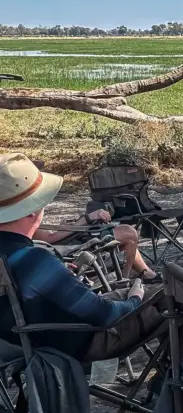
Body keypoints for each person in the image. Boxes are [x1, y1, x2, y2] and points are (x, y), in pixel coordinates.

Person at [0, 154, 169, 362]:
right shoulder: (33, 261)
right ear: (32, 211)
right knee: (178, 296)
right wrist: (135, 298)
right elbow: (106, 315)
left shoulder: (15, 258)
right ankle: (180, 387)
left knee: (151, 291)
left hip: (26, 341)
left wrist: (60, 276)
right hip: (79, 341)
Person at [34, 205, 159, 282]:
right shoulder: (26, 213)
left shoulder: (21, 211)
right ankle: (125, 281)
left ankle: (147, 274)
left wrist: (69, 225)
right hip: (70, 250)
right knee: (129, 233)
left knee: (126, 240)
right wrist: (86, 219)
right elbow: (50, 237)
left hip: (67, 244)